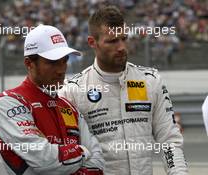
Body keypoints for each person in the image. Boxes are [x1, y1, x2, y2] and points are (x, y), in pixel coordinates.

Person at [59, 6, 188, 175]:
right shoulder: (72, 90)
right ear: (92, 42)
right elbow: (66, 153)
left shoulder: (150, 80)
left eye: (124, 38)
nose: (121, 47)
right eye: (112, 41)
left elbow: (169, 141)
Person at [0, 24, 104, 175]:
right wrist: (83, 151)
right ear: (29, 63)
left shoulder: (68, 106)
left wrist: (69, 158)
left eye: (64, 60)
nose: (61, 69)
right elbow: (44, 159)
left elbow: (97, 162)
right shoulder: (9, 103)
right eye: (52, 62)